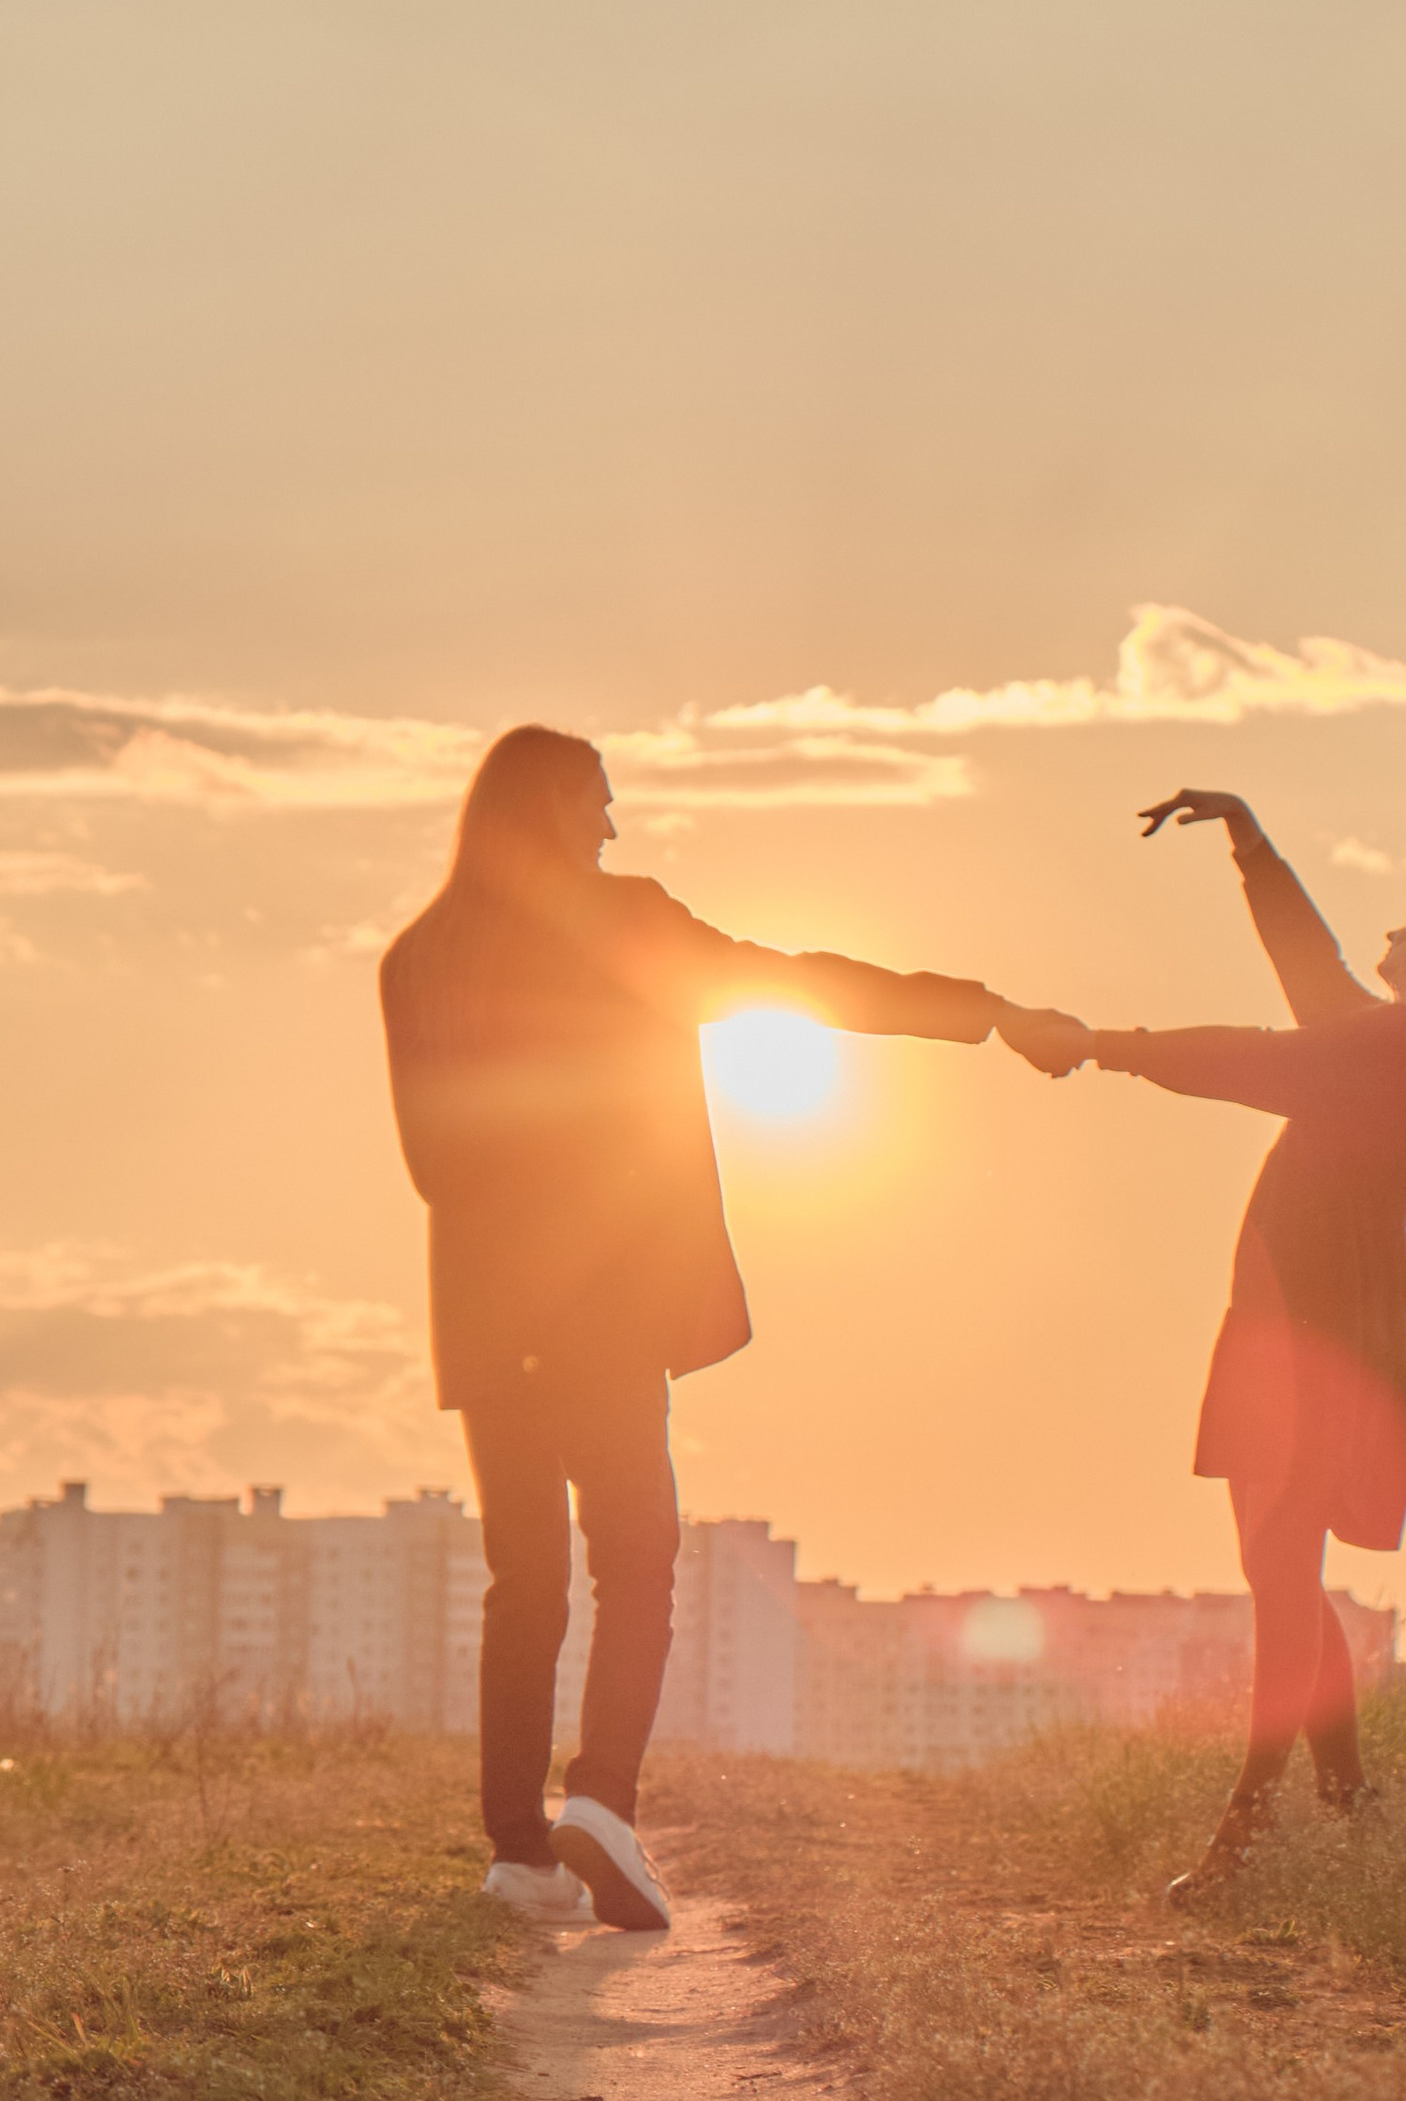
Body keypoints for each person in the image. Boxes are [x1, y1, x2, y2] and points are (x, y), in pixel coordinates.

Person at [382, 725, 1013, 1933]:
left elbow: (429, 1163)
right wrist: (969, 1010)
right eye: (599, 802)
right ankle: (603, 1800)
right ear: (553, 810)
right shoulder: (622, 923)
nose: (612, 826)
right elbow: (794, 981)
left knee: (526, 1581)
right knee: (638, 1558)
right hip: (603, 1300)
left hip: (485, 1313)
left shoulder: (419, 958)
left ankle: (520, 1857)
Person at [998, 788, 1406, 1904]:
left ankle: (1244, 1841)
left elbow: (1259, 1058)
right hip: (1300, 1322)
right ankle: (1348, 1813)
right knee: (1280, 1575)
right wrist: (1247, 839)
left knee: (1282, 1582)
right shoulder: (1399, 1041)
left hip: (1314, 1334)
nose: (1387, 937)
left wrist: (1101, 1045)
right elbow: (1310, 970)